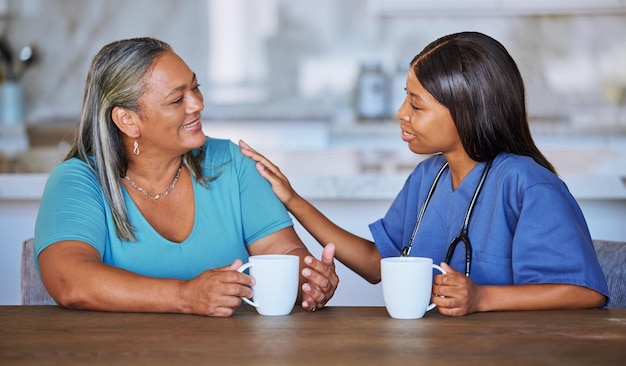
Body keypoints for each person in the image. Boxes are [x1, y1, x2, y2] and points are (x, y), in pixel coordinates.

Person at [240, 31, 609, 316]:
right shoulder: (428, 176)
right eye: (405, 98)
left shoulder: (526, 184)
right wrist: (293, 201)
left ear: (466, 111)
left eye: (416, 104)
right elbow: (376, 264)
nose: (401, 113)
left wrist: (481, 297)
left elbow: (584, 292)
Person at [34, 37, 338, 317]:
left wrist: (308, 279)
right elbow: (68, 280)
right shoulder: (79, 180)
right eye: (177, 100)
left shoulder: (231, 162)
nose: (197, 104)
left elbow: (281, 252)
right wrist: (185, 295)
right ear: (128, 120)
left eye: (195, 87)